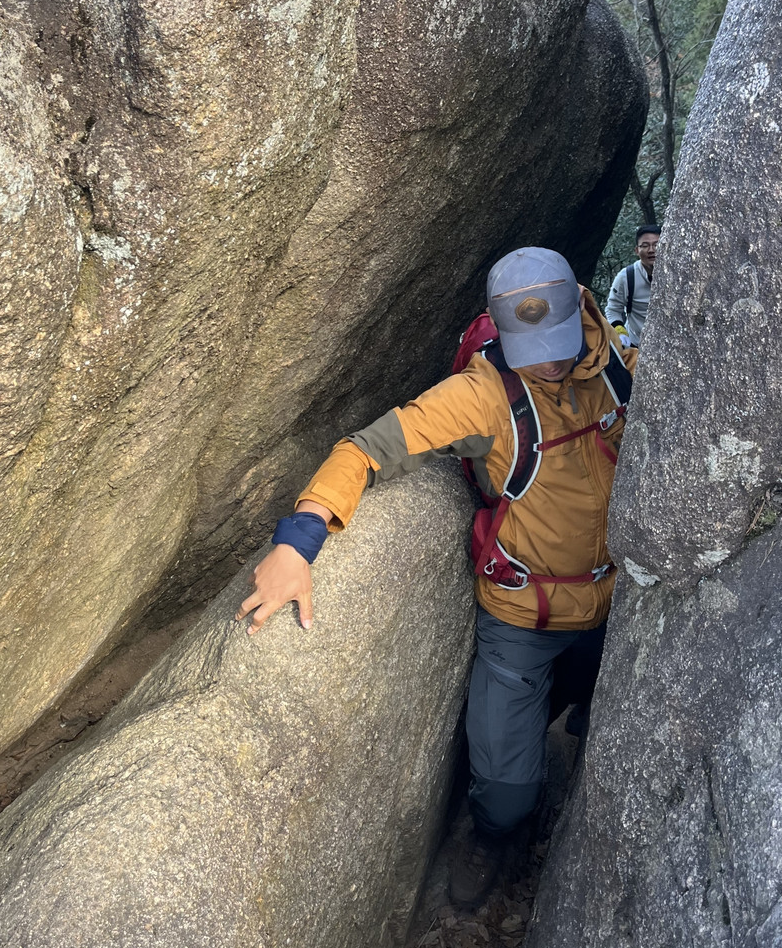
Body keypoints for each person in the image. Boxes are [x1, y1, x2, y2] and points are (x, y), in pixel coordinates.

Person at [235, 247, 637, 906]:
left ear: (581, 310)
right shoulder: (481, 396)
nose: (551, 360)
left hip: (619, 601)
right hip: (523, 617)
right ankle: (495, 833)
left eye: (560, 342)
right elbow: (364, 449)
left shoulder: (611, 356)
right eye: (532, 347)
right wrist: (298, 543)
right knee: (506, 789)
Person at [605, 224, 661, 345]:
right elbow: (613, 309)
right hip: (638, 346)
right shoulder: (627, 277)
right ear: (637, 250)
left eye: (657, 244)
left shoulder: (679, 276)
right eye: (645, 246)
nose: (651, 250)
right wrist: (619, 331)